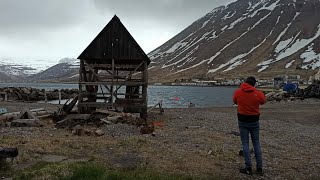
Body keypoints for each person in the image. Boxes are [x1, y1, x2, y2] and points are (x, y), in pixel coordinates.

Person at [232, 76, 266, 175]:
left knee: (245, 143)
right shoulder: (258, 93)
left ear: (245, 82)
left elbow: (234, 101)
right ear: (254, 84)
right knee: (256, 143)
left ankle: (248, 168)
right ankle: (259, 168)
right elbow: (263, 101)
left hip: (242, 120)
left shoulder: (238, 92)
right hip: (254, 121)